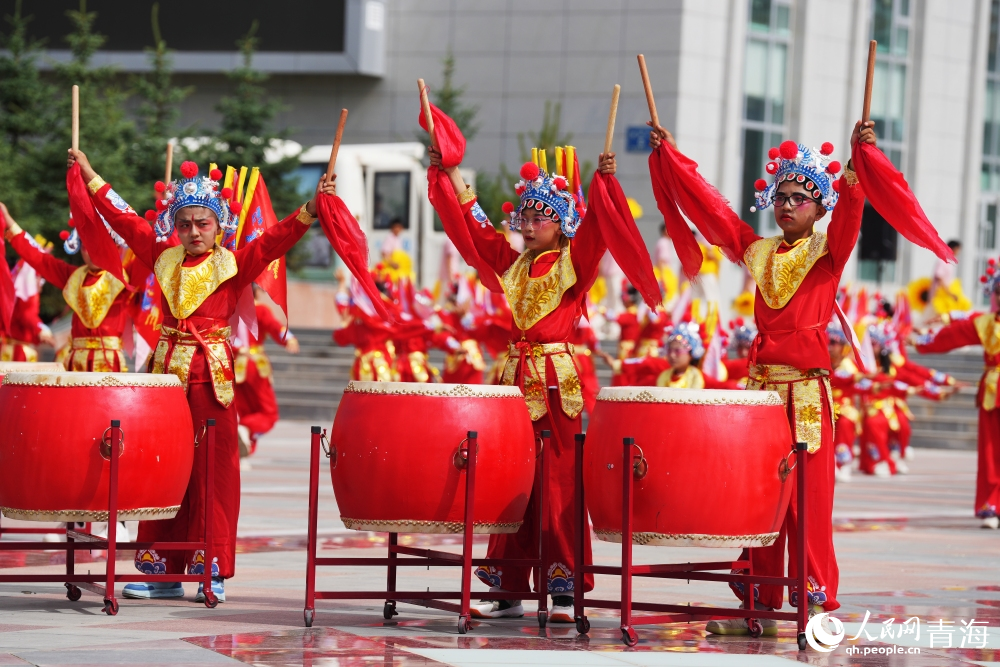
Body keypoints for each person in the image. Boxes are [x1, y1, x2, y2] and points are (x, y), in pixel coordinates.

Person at [68, 149, 332, 603]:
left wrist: (309, 209)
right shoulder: (162, 257)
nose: (193, 232)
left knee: (214, 474)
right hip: (167, 381)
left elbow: (272, 242)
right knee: (163, 471)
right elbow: (128, 220)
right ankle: (162, 571)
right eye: (185, 223)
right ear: (176, 224)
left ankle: (211, 569)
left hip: (211, 380)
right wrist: (92, 176)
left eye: (202, 223)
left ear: (219, 226)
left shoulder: (233, 263)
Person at [649, 121, 877, 634]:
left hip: (808, 394)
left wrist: (858, 162)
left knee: (810, 505)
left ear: (820, 209)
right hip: (763, 395)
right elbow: (716, 215)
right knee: (761, 500)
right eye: (782, 196)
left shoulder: (827, 254)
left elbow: (853, 212)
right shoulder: (757, 251)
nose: (788, 204)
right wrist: (672, 160)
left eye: (801, 198)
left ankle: (815, 601)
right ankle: (759, 606)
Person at [427, 119, 658, 621]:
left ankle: (562, 581)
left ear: (561, 224)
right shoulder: (510, 265)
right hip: (513, 381)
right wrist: (451, 175)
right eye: (525, 217)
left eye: (541, 217)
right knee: (512, 479)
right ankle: (507, 583)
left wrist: (605, 183)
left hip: (555, 382)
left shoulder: (575, 263)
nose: (529, 225)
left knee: (558, 480)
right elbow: (476, 229)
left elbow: (599, 230)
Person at [916, 262, 1000, 527]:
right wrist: (920, 341)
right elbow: (954, 336)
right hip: (992, 392)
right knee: (989, 451)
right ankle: (991, 505)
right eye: (998, 290)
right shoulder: (986, 323)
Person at [1, 203, 129, 372]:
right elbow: (39, 258)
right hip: (75, 362)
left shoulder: (125, 277)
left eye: (98, 246)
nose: (91, 252)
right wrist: (8, 219)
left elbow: (147, 247)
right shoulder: (73, 276)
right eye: (86, 246)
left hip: (108, 363)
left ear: (114, 247)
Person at [234, 286, 299, 464]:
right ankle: (245, 429)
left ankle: (242, 449)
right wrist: (289, 338)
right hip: (254, 365)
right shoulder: (259, 310)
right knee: (268, 414)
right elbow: (275, 326)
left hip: (235, 367)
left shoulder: (230, 310)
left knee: (243, 410)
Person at [655, 322, 705, 389]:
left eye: (677, 351)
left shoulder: (695, 376)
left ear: (691, 354)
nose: (672, 355)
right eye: (670, 351)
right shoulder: (664, 376)